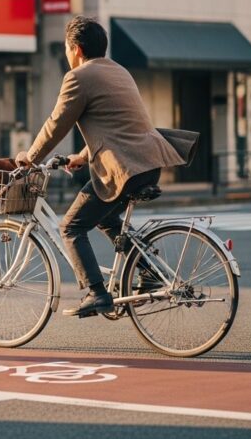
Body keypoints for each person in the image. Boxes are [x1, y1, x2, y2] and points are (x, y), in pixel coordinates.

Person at [15, 16, 186, 318]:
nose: (68, 55)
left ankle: (97, 293)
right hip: (147, 162)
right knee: (106, 218)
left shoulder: (79, 77)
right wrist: (81, 156)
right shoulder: (118, 71)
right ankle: (148, 273)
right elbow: (117, 125)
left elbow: (57, 124)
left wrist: (31, 157)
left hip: (124, 168)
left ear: (76, 49)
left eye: (68, 49)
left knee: (70, 227)